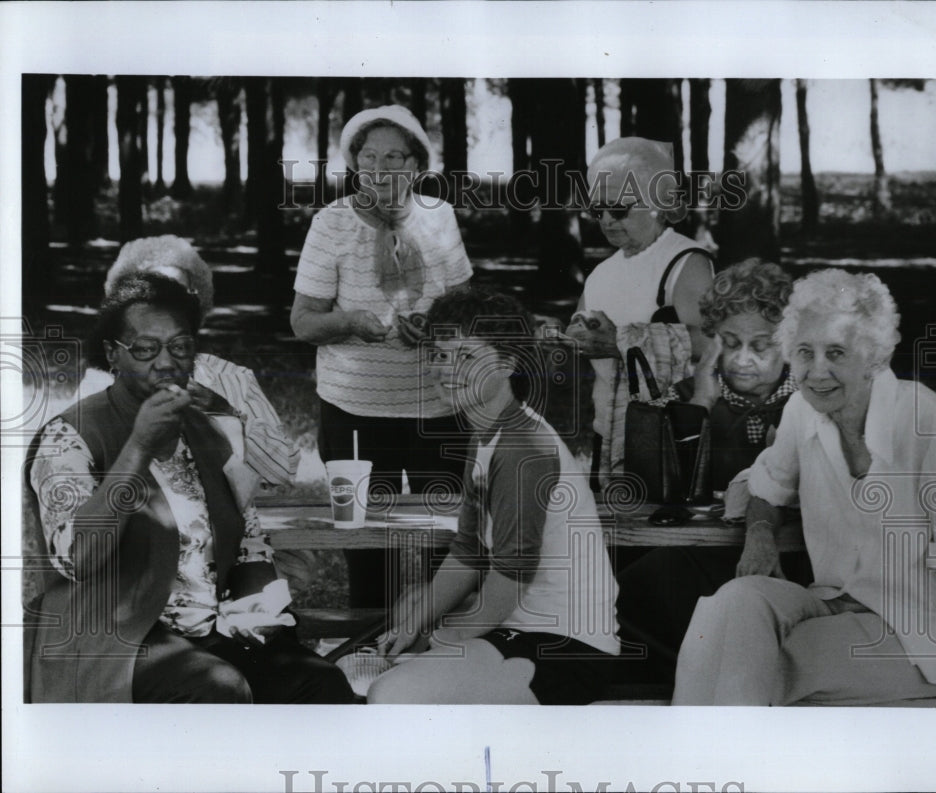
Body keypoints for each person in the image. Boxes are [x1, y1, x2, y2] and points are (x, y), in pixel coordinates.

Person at [24, 274, 352, 703]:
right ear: (113, 356)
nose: (165, 362)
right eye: (144, 349)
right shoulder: (71, 436)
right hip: (113, 633)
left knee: (320, 684)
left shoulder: (208, 430)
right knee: (217, 690)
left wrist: (262, 602)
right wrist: (138, 447)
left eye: (180, 347)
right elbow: (76, 559)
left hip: (210, 629)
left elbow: (248, 538)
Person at [672, 269, 936, 706]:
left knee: (759, 658)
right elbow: (766, 487)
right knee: (733, 604)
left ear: (875, 356)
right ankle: (712, 756)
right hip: (827, 604)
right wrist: (761, 532)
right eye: (805, 352)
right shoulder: (801, 411)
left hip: (912, 635)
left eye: (836, 353)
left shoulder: (922, 416)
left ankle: (706, 759)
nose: (817, 372)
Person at [366, 288, 621, 704]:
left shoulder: (525, 447)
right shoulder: (485, 431)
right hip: (516, 630)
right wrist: (414, 626)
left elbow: (510, 580)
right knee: (410, 610)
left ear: (508, 363)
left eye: (466, 356)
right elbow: (467, 551)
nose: (445, 369)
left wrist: (440, 640)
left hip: (566, 646)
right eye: (439, 354)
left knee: (393, 697)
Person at [291, 105, 473, 608]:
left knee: (449, 543)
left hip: (439, 410)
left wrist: (435, 327)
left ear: (417, 166)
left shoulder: (440, 217)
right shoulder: (331, 223)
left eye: (395, 156)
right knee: (373, 553)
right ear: (354, 165)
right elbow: (303, 321)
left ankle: (447, 659)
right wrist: (350, 322)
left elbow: (466, 304)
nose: (381, 169)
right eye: (369, 157)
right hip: (355, 415)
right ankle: (372, 654)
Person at [614, 260, 808, 691]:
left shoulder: (809, 404)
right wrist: (702, 402)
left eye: (761, 345)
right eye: (730, 342)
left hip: (784, 557)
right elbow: (662, 490)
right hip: (696, 549)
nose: (742, 359)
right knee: (630, 583)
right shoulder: (688, 397)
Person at [75, 234, 300, 490]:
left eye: (180, 294)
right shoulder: (99, 383)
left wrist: (227, 414)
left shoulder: (233, 378)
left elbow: (285, 472)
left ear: (198, 300)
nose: (169, 309)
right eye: (154, 296)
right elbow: (76, 473)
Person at [568, 137, 714, 488]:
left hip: (667, 435)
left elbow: (710, 344)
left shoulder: (685, 262)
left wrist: (621, 341)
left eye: (618, 209)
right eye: (596, 210)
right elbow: (580, 332)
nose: (605, 220)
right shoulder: (603, 271)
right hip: (608, 431)